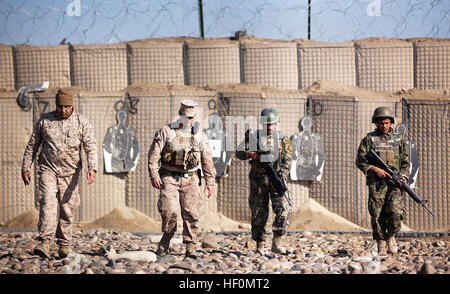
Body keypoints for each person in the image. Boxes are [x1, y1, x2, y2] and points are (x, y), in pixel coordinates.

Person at [21, 89, 98, 258]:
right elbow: (32, 145)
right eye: (60, 107)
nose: (63, 110)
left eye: (67, 107)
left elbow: (90, 146)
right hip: (48, 170)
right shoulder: (45, 120)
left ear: (72, 106)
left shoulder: (81, 122)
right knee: (47, 204)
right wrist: (26, 167)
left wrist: (92, 168)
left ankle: (64, 245)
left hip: (71, 173)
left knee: (67, 209)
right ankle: (45, 242)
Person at [148, 100, 216, 259]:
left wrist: (210, 182)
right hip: (169, 177)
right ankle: (165, 240)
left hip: (190, 178)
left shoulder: (199, 134)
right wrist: (154, 174)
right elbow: (154, 155)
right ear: (180, 115)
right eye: (186, 117)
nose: (189, 120)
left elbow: (207, 159)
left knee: (191, 213)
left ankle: (190, 247)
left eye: (192, 117)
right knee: (169, 210)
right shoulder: (166, 131)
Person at [236, 108, 293, 254]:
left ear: (276, 124)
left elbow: (288, 160)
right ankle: (260, 245)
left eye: (272, 124)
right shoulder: (254, 137)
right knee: (258, 213)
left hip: (276, 179)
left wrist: (281, 176)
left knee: (284, 211)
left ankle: (276, 242)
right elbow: (239, 153)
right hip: (258, 181)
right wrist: (252, 154)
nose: (269, 127)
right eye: (267, 124)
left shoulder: (283, 139)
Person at [355, 106, 410, 254]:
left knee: (394, 211)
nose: (384, 126)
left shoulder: (399, 140)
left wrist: (403, 177)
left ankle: (391, 236)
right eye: (380, 123)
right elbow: (360, 160)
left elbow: (405, 162)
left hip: (395, 182)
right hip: (377, 184)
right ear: (376, 123)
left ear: (391, 122)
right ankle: (380, 241)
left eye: (386, 123)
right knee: (376, 213)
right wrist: (374, 169)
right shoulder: (369, 139)